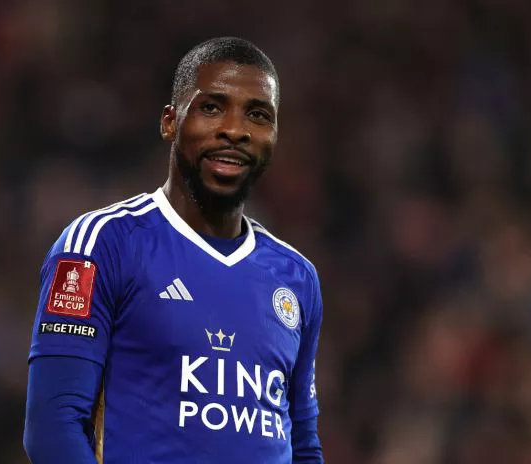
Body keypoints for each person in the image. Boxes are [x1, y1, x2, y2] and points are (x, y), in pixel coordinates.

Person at [23, 37, 324, 463]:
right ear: (170, 121)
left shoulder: (297, 277)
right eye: (212, 107)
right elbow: (52, 428)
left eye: (258, 114)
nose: (235, 129)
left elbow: (304, 446)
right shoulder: (100, 245)